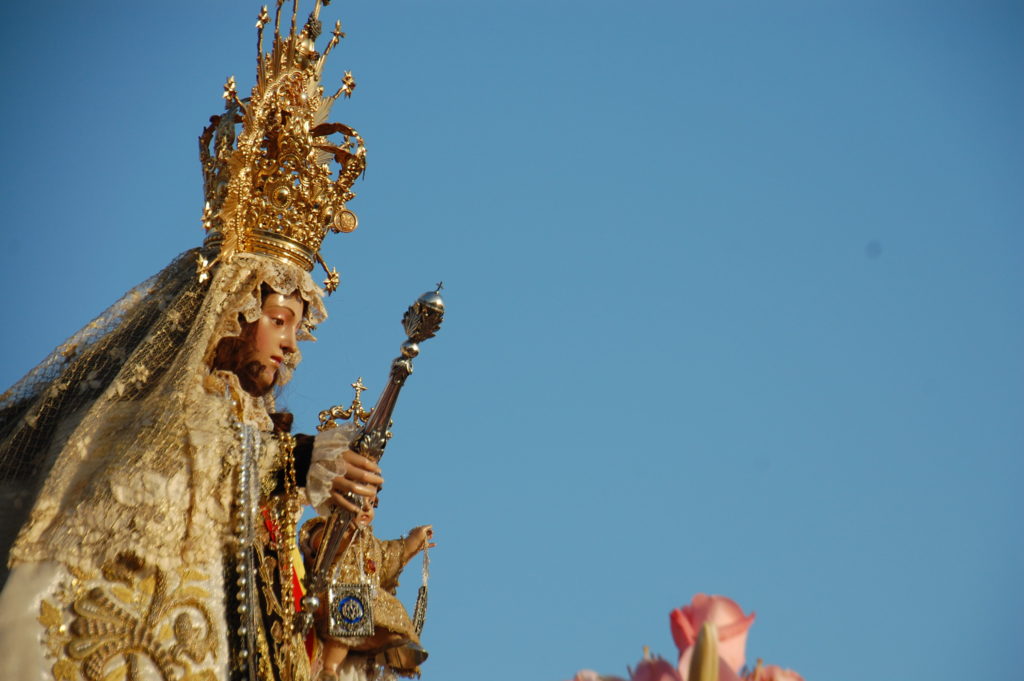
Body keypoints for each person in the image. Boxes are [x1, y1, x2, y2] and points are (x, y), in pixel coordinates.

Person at [0, 2, 390, 680]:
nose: (292, 342)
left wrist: (337, 555)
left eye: (301, 323)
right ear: (234, 309)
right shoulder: (154, 416)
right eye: (279, 316)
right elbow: (177, 478)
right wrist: (296, 462)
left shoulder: (253, 438)